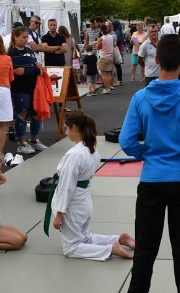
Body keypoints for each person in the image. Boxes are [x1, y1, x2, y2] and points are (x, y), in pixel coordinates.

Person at [120, 33, 180, 293]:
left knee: (145, 252)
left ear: (156, 59)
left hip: (152, 180)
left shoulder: (140, 98)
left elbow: (127, 141)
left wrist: (145, 154)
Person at [50, 111, 135, 261]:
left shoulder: (75, 154)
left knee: (71, 248)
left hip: (73, 204)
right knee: (83, 238)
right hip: (84, 201)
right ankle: (119, 238)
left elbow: (66, 186)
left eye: (67, 128)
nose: (66, 132)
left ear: (74, 127)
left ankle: (111, 248)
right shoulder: (92, 149)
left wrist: (59, 214)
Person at [8, 26, 48, 154]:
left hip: (34, 88)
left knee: (36, 113)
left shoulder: (29, 50)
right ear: (15, 37)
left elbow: (37, 66)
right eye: (23, 37)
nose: (26, 40)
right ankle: (21, 143)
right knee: (22, 114)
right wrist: (34, 69)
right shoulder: (11, 53)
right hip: (19, 89)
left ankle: (34, 140)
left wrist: (36, 68)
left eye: (27, 37)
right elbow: (18, 71)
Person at [96, 24, 114, 94]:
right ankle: (109, 87)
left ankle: (107, 88)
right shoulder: (111, 37)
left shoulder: (101, 38)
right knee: (109, 73)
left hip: (104, 57)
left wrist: (97, 42)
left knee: (104, 74)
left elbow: (98, 47)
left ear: (101, 30)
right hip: (110, 56)